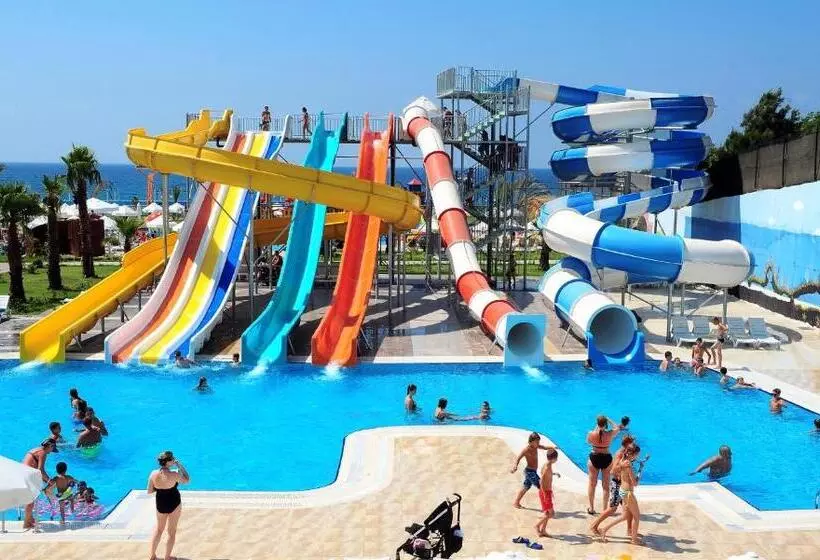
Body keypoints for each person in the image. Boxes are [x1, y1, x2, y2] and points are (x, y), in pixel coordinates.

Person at [599, 444, 647, 545]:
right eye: (637, 455)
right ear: (632, 454)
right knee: (637, 517)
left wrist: (641, 465)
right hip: (628, 493)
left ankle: (604, 529)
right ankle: (634, 540)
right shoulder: (628, 464)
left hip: (622, 491)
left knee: (625, 516)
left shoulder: (623, 460)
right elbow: (635, 483)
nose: (637, 457)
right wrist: (640, 470)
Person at [590, 435, 636, 537]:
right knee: (612, 508)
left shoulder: (626, 454)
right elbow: (613, 470)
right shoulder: (620, 454)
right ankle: (594, 525)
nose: (633, 446)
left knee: (629, 508)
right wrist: (622, 466)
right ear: (627, 444)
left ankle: (629, 530)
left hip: (624, 485)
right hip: (617, 485)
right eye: (632, 444)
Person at [147, 451, 190, 560]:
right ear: (169, 462)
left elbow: (149, 491)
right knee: (171, 532)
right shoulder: (174, 475)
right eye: (172, 459)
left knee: (159, 530)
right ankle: (167, 557)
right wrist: (179, 465)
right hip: (174, 503)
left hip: (160, 504)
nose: (174, 460)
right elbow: (187, 479)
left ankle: (152, 556)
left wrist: (161, 488)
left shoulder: (153, 474)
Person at [510, 432, 558, 509]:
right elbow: (518, 458)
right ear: (531, 442)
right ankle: (547, 508)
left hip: (532, 472)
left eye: (539, 441)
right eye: (537, 442)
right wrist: (515, 466)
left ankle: (516, 502)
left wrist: (553, 447)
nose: (538, 443)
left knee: (526, 487)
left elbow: (544, 447)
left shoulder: (536, 446)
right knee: (542, 487)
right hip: (530, 472)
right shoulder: (526, 450)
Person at [585, 416, 622, 515]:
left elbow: (588, 442)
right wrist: (609, 419)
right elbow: (617, 427)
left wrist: (596, 428)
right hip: (607, 458)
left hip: (594, 457)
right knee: (605, 486)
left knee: (592, 484)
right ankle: (605, 510)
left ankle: (591, 508)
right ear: (605, 424)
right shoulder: (610, 434)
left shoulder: (591, 434)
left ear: (597, 423)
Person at [21, 440, 55, 528]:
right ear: (50, 446)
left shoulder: (36, 450)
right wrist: (49, 481)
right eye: (53, 448)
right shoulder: (43, 453)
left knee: (30, 499)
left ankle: (30, 519)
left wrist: (45, 481)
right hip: (28, 476)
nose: (52, 451)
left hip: (24, 473)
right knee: (31, 501)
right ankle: (26, 523)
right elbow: (41, 470)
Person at [535, 448, 560, 537]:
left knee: (547, 513)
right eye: (556, 458)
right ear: (553, 459)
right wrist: (545, 494)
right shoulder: (547, 467)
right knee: (551, 513)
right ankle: (537, 525)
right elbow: (541, 481)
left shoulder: (546, 465)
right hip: (545, 492)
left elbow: (545, 474)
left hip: (546, 492)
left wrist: (554, 474)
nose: (557, 460)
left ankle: (543, 530)